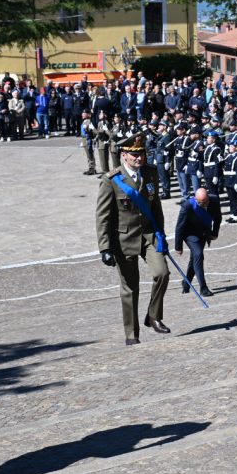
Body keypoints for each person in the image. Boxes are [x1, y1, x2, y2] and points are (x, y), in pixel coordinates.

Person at [95, 134, 171, 345]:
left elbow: (156, 208)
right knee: (130, 288)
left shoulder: (150, 173)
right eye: (135, 154)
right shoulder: (111, 180)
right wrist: (105, 248)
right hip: (123, 239)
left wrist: (161, 235)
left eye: (142, 153)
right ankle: (131, 333)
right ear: (124, 155)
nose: (140, 158)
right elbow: (103, 216)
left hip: (148, 236)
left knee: (162, 273)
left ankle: (154, 316)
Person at [174, 188, 217, 298]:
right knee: (198, 254)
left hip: (203, 233)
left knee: (195, 258)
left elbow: (218, 217)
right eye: (201, 202)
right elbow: (179, 226)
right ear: (196, 199)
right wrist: (178, 246)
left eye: (205, 201)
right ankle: (203, 287)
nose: (204, 204)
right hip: (190, 234)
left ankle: (186, 281)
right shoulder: (187, 206)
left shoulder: (214, 200)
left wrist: (214, 233)